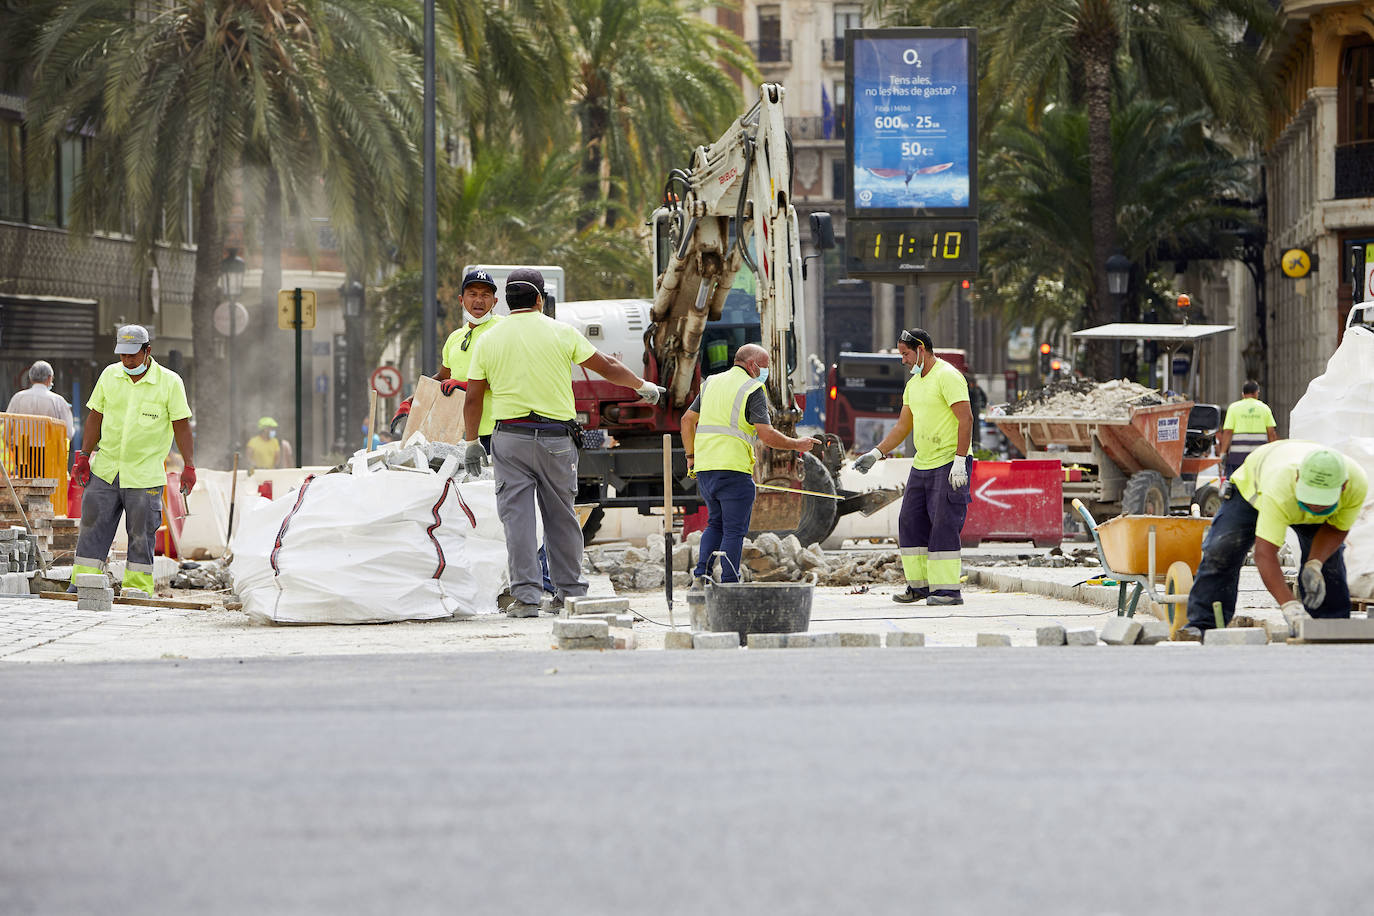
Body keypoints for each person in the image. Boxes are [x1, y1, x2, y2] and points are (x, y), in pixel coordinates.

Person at [461, 268, 664, 617]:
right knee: (561, 516)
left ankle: (526, 599)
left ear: (507, 303)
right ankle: (569, 593)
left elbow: (473, 398)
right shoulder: (561, 332)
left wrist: (470, 442)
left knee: (518, 520)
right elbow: (607, 366)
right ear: (541, 299)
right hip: (556, 440)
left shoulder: (487, 340)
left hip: (508, 439)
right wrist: (641, 386)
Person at [1180, 440, 1368, 639]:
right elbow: (1265, 554)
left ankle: (1330, 630)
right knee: (1222, 549)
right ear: (1297, 478)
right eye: (1311, 498)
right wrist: (1290, 607)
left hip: (1291, 493)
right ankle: (1203, 626)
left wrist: (1315, 563)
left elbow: (1336, 528)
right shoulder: (1281, 486)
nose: (1314, 507)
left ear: (1344, 487)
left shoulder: (1356, 483)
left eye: (1321, 501)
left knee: (1329, 564)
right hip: (1253, 491)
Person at [70, 325, 195, 596]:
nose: (127, 361)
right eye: (122, 356)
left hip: (144, 475)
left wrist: (189, 465)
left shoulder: (170, 382)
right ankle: (82, 586)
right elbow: (95, 417)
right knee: (91, 529)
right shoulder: (109, 376)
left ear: (147, 350)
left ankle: (137, 590)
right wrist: (83, 456)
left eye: (132, 355)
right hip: (105, 470)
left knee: (141, 536)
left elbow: (181, 426)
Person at [853, 328, 974, 605]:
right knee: (909, 521)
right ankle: (919, 587)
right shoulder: (914, 384)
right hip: (923, 464)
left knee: (943, 525)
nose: (903, 360)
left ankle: (947, 591)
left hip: (949, 462)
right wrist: (876, 453)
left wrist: (959, 460)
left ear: (921, 348)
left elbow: (965, 419)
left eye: (905, 354)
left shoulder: (948, 376)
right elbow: (902, 426)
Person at [681, 343, 819, 583]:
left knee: (715, 523)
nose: (765, 372)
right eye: (764, 367)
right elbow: (766, 435)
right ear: (752, 365)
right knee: (734, 530)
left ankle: (700, 576)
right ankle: (729, 582)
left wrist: (691, 457)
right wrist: (797, 444)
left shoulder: (710, 382)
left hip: (705, 469)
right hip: (734, 469)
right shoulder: (752, 388)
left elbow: (686, 420)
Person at [389, 268, 501, 438]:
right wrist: (412, 400)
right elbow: (443, 377)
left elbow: (505, 379)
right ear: (461, 300)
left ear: (495, 301)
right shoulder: (455, 338)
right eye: (472, 294)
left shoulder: (502, 330)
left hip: (494, 431)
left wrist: (463, 385)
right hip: (455, 433)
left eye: (485, 295)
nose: (479, 300)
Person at [1216, 379, 1278, 477]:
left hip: (1237, 457)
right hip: (1258, 456)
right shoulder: (1264, 408)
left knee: (1237, 485)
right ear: (1256, 393)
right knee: (1256, 485)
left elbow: (1228, 432)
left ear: (1243, 394)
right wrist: (1273, 453)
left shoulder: (1233, 408)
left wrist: (1223, 453)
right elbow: (1271, 433)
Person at [6, 360, 75, 439]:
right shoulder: (58, 401)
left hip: (21, 449)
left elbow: (7, 428)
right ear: (50, 378)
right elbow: (68, 433)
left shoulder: (17, 398)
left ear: (31, 378)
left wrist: (11, 445)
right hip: (49, 450)